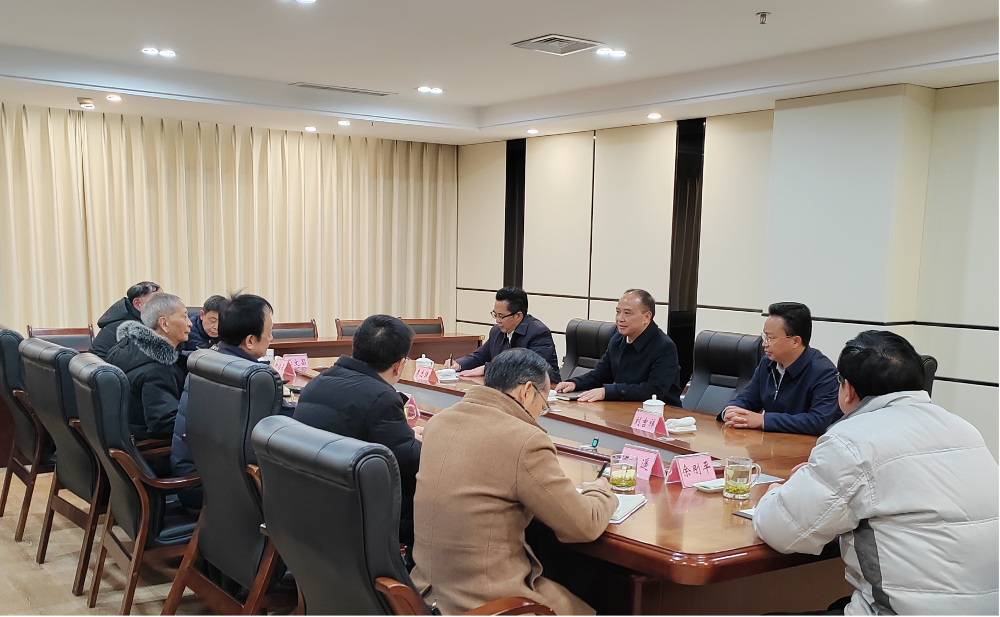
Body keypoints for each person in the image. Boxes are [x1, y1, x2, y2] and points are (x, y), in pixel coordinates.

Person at [754, 330, 999, 616]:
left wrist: (776, 492)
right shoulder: (963, 428)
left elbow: (784, 530)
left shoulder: (851, 439)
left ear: (848, 390)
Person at [411, 348, 617, 616]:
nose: (540, 413)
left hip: (424, 595)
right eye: (543, 404)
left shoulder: (439, 422)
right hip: (484, 602)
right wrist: (600, 490)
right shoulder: (525, 440)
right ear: (527, 391)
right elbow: (584, 525)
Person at [293, 315, 421, 546]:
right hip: (358, 514)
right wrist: (421, 440)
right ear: (398, 365)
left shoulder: (317, 382)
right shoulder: (381, 398)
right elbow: (411, 463)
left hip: (310, 501)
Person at [171, 293, 290, 510]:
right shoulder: (251, 378)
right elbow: (280, 424)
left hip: (195, 473)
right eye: (269, 333)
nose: (271, 338)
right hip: (208, 487)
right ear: (250, 340)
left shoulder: (207, 358)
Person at [718, 302, 840, 436]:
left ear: (795, 341)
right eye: (764, 337)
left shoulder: (824, 372)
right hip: (769, 443)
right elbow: (748, 398)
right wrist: (731, 412)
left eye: (771, 338)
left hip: (804, 447)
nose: (764, 344)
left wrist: (763, 420)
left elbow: (817, 421)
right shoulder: (767, 362)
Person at [554, 289, 681, 405]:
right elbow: (600, 374)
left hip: (661, 413)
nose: (620, 318)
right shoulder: (617, 339)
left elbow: (654, 390)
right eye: (618, 312)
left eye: (627, 313)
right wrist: (575, 383)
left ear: (647, 317)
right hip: (624, 407)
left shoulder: (664, 347)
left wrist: (608, 392)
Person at [105, 292, 190, 440]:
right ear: (164, 324)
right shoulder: (159, 369)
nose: (190, 323)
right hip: (147, 446)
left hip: (124, 433)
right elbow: (165, 424)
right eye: (184, 317)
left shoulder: (125, 347)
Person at [443, 287, 560, 384]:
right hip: (508, 388)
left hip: (544, 392)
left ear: (518, 316)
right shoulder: (497, 331)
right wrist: (459, 364)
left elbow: (530, 368)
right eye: (495, 315)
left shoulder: (539, 333)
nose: (497, 320)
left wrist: (487, 368)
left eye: (501, 316)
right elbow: (480, 356)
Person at [90, 281, 161, 359]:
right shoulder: (122, 326)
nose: (164, 304)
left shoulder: (146, 319)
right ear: (137, 303)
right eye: (157, 300)